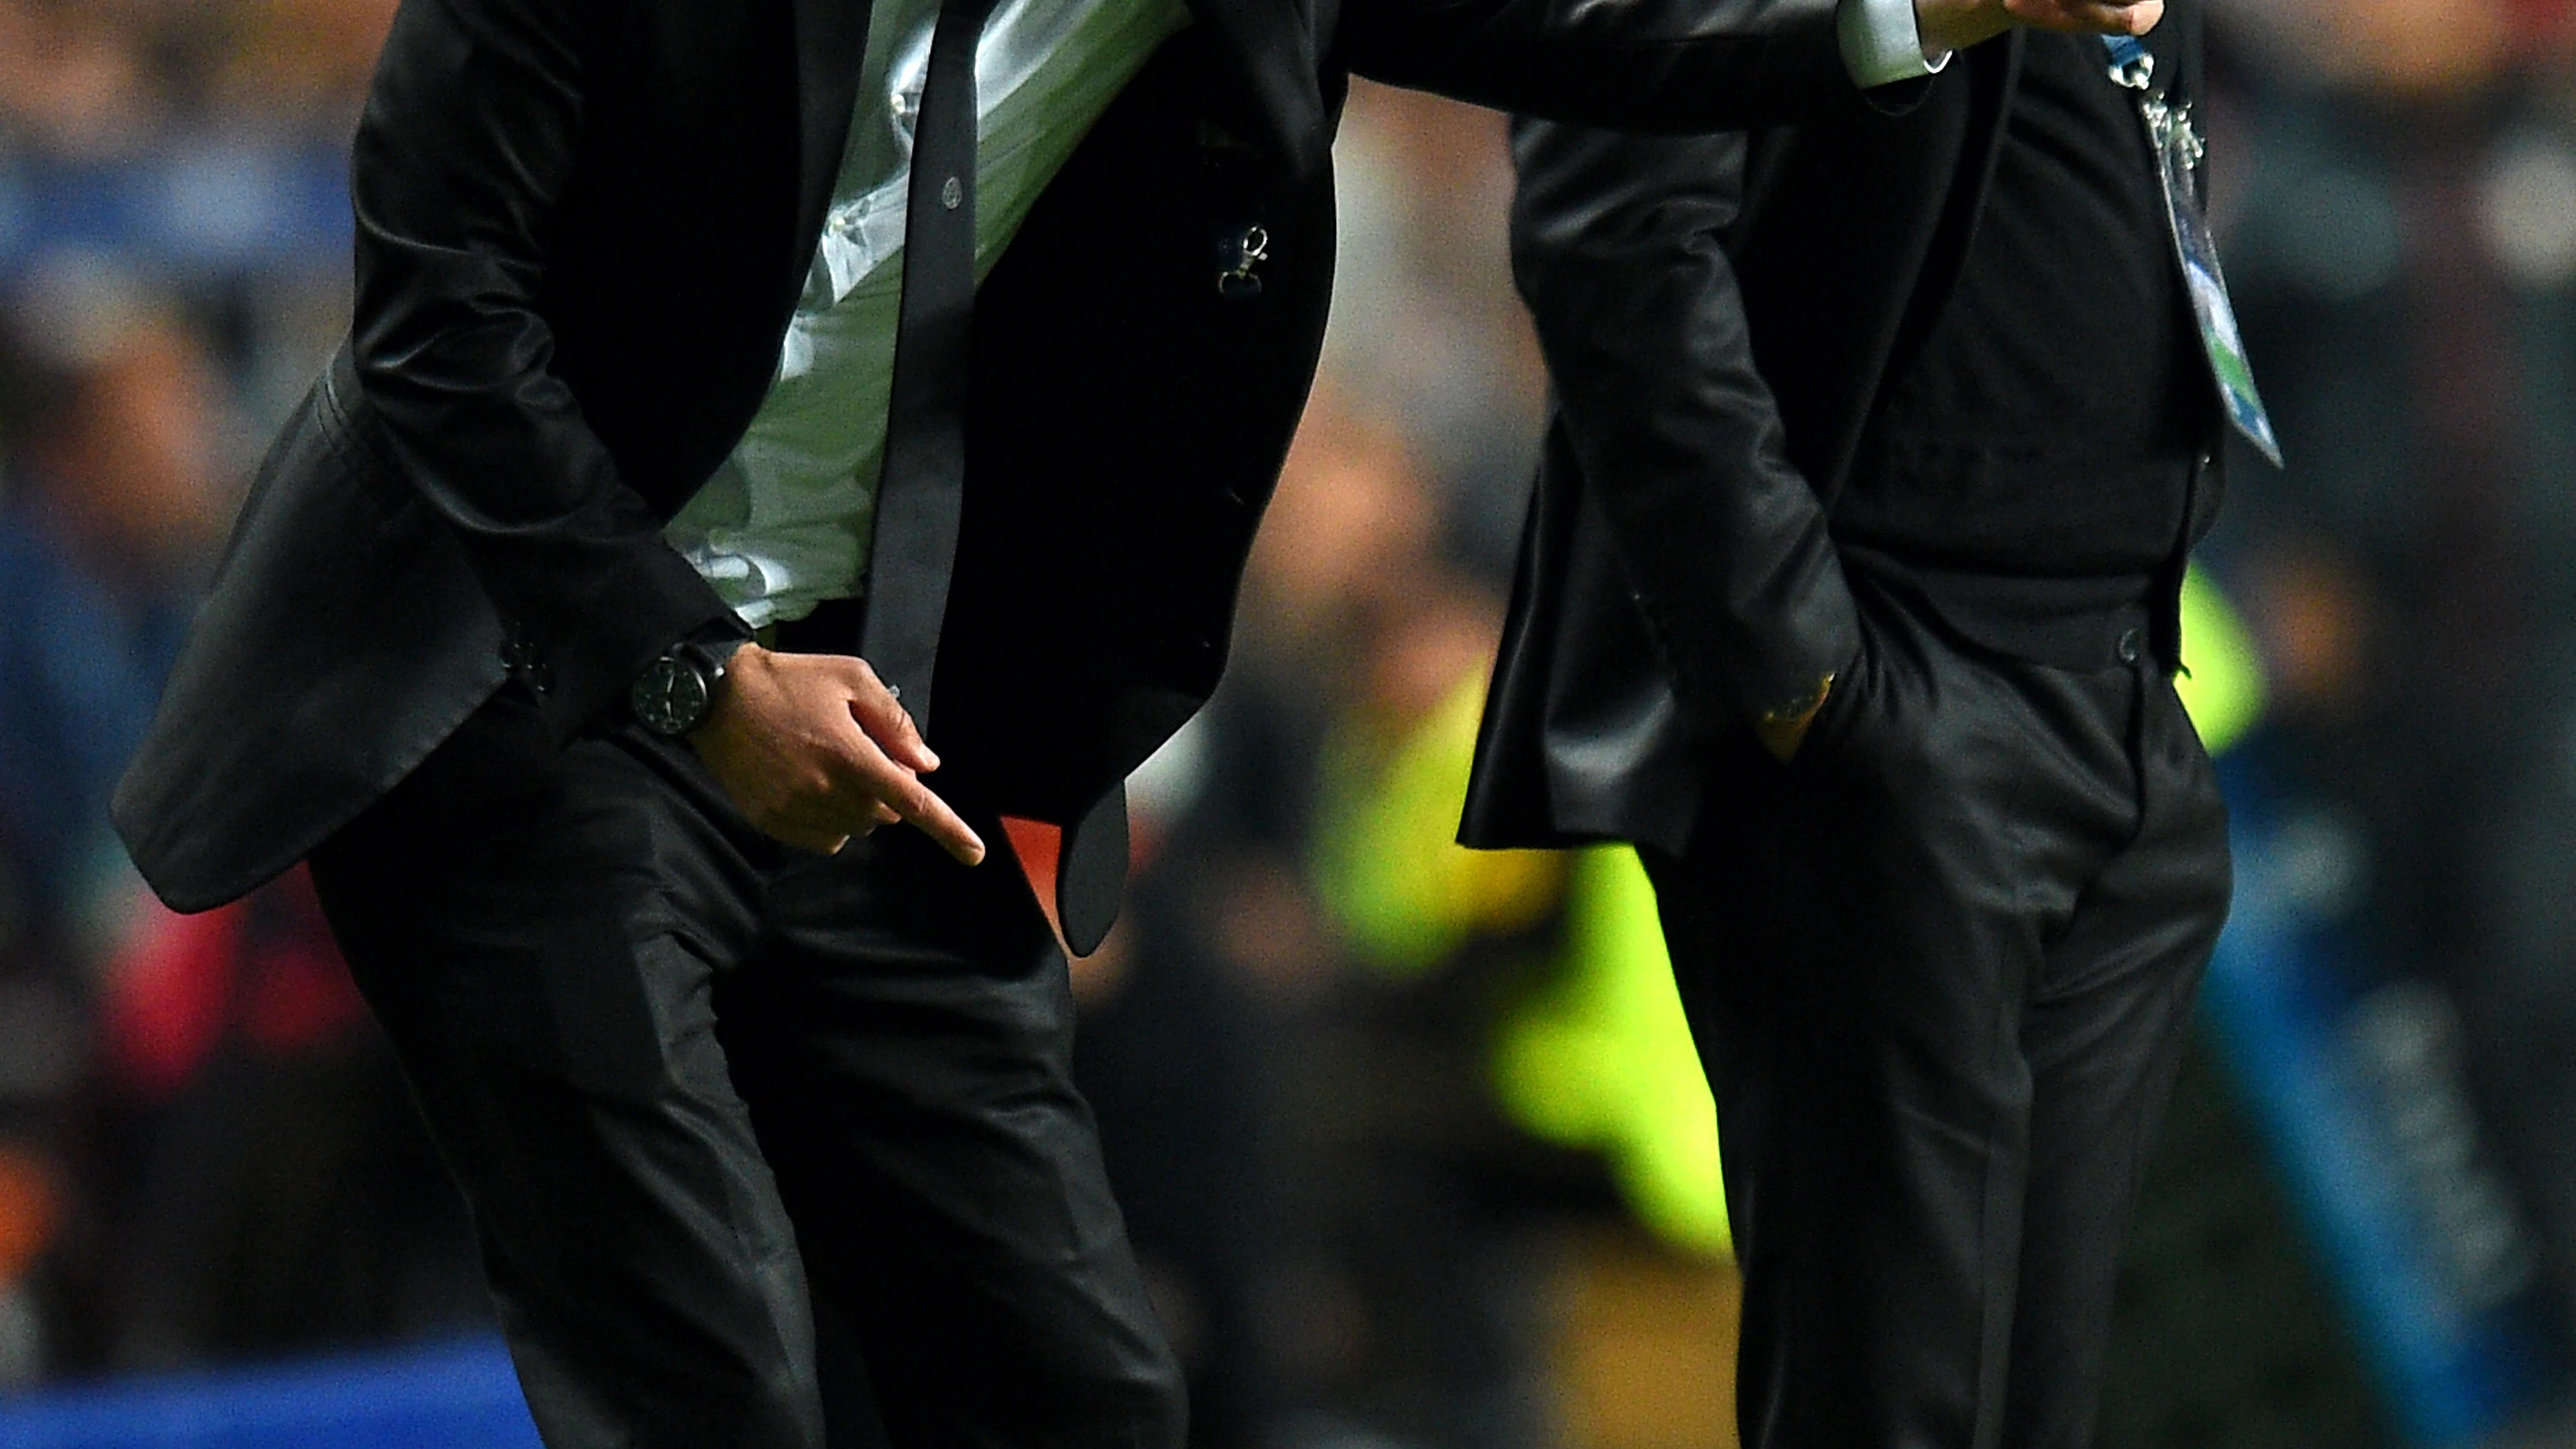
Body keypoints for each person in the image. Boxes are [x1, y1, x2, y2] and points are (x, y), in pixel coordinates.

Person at [112, 0, 2162, 1444]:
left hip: (874, 716)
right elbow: (437, 311)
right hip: (532, 679)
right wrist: (689, 674)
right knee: (711, 1367)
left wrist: (1935, 5)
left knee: (1074, 1382)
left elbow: (1598, 25)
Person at [1462, 2, 2251, 1445]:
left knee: (2030, 1412)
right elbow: (1613, 226)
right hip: (1895, 718)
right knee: (1894, 1411)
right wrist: (1808, 682)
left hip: (2123, 705)